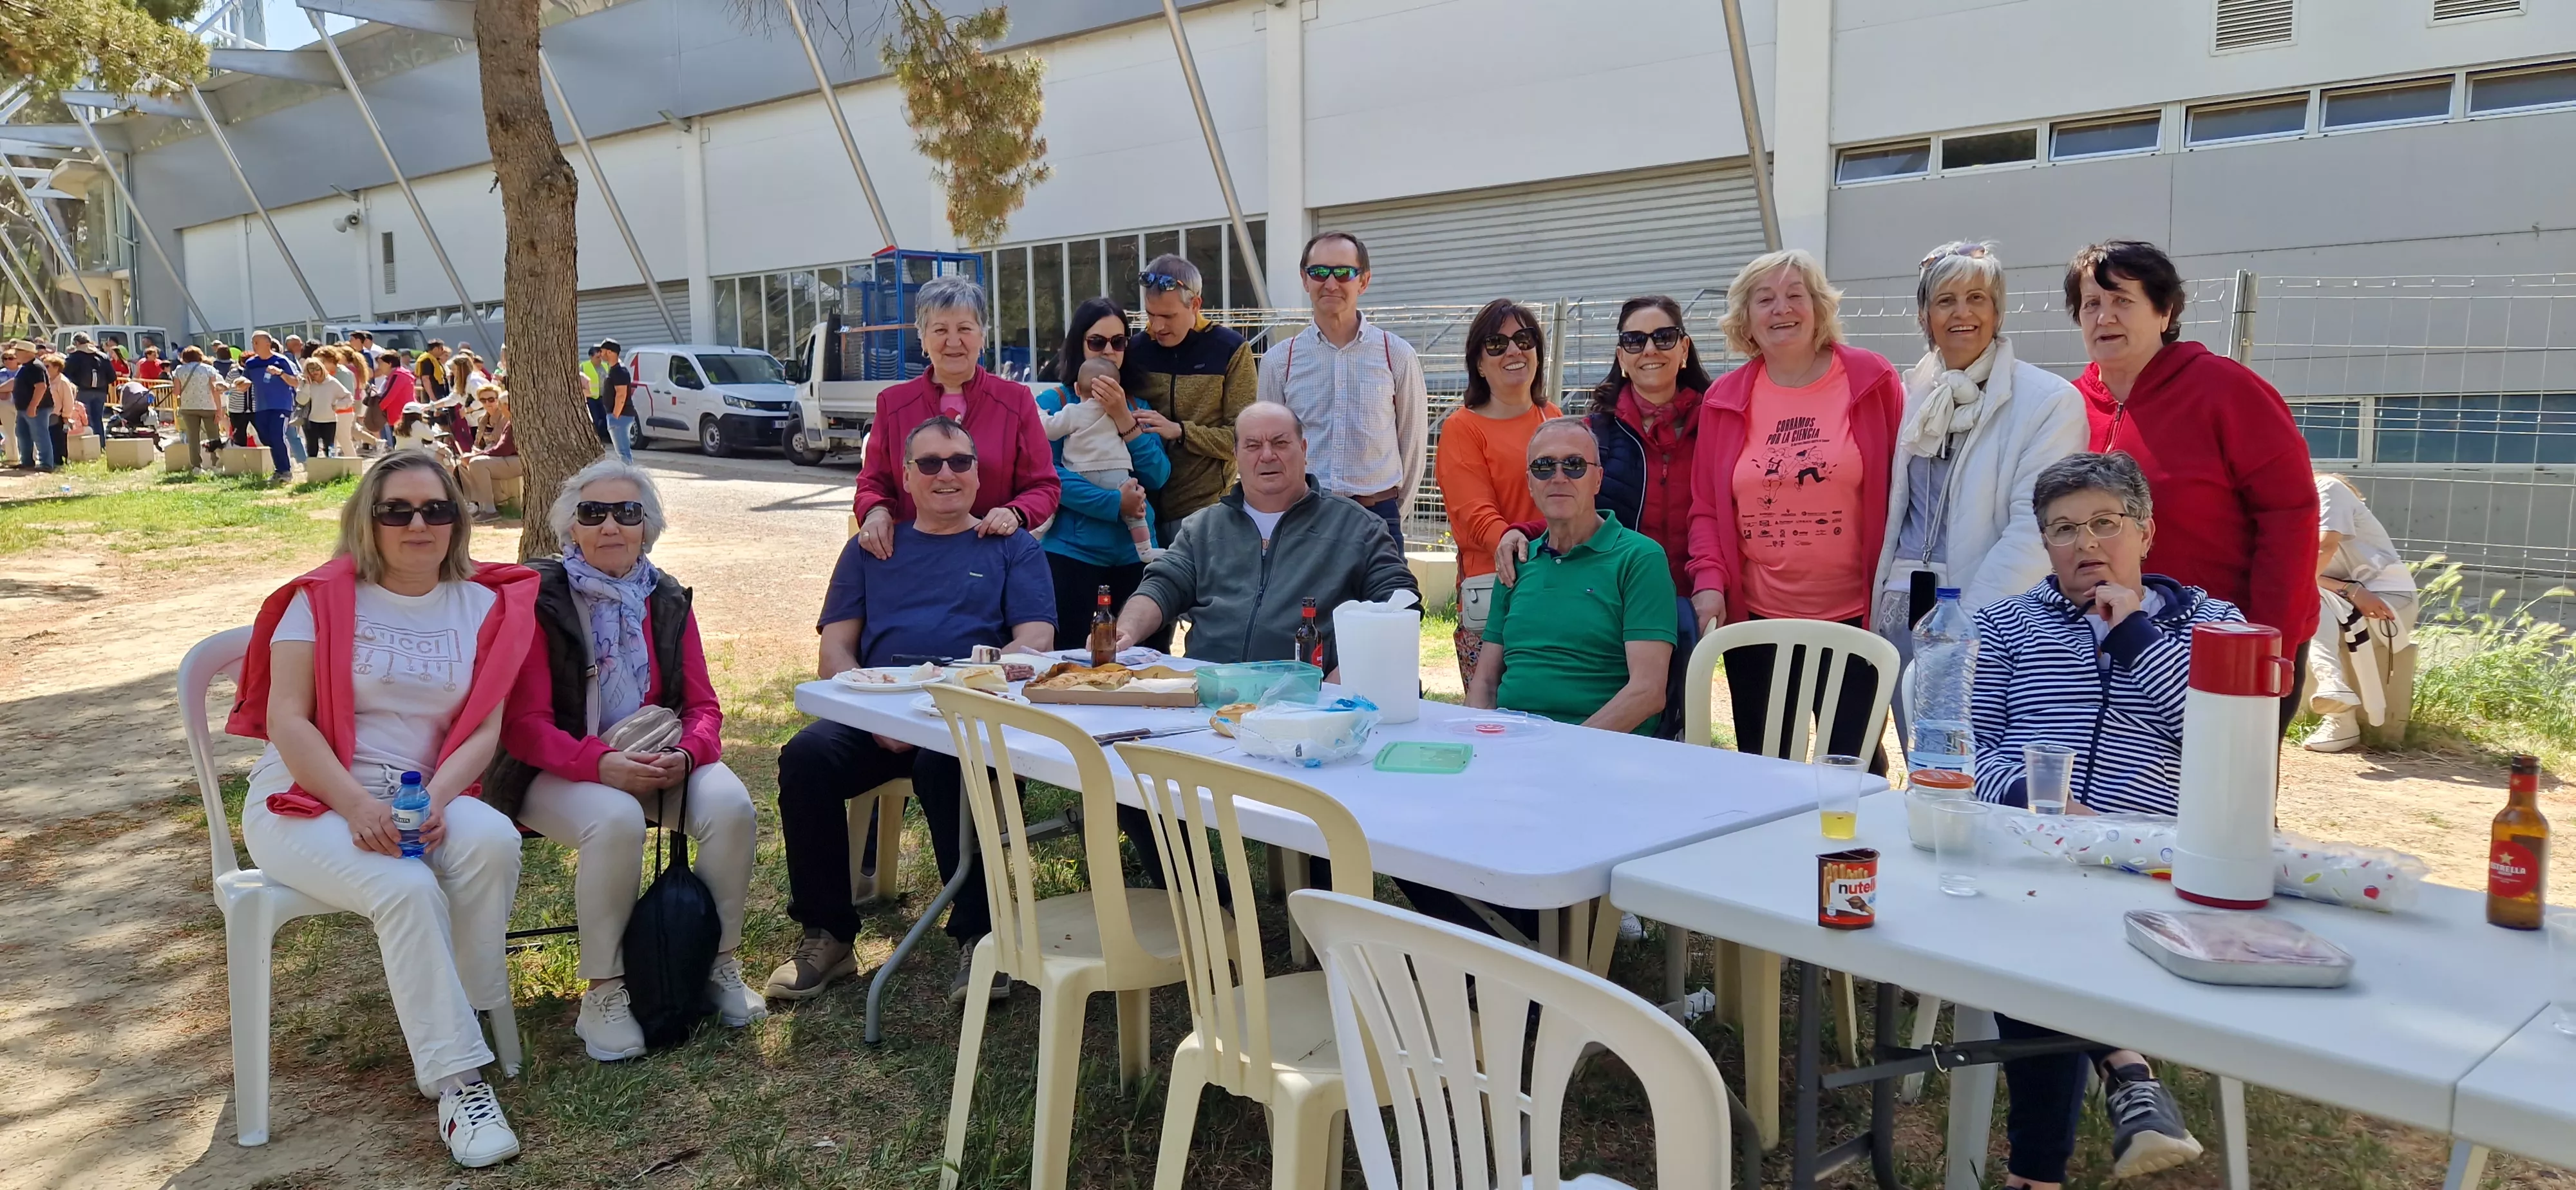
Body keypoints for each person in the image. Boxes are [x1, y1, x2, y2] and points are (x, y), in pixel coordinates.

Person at [223, 448, 538, 1168]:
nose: (418, 524)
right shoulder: (320, 599)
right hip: (306, 796)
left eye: (437, 509)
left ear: (459, 519)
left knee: (491, 843)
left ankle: (466, 1002)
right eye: (397, 510)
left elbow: (484, 728)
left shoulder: (485, 605)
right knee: (403, 884)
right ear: (368, 520)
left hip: (419, 792)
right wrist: (356, 804)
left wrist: (437, 798)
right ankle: (460, 1083)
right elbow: (290, 723)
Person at [1969, 451, 2230, 1187]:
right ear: (2043, 545)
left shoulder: (2212, 623)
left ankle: (2034, 1174)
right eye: (2062, 530)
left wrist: (2133, 635)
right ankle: (2127, 1070)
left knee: (2037, 937)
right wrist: (2034, 799)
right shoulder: (2007, 625)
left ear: (2144, 531)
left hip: (2153, 857)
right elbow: (1970, 746)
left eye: (2104, 524)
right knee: (2031, 917)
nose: (2085, 545)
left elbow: (2218, 744)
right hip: (2028, 848)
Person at [768, 416, 1057, 1005]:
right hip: (877, 716)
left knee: (950, 764)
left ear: (979, 475)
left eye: (959, 462)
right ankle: (827, 936)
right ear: (905, 476)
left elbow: (1034, 643)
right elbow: (835, 653)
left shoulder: (1013, 548)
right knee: (806, 757)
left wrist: (938, 710)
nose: (945, 474)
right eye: (929, 463)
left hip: (967, 716)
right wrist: (881, 714)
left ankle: (980, 938)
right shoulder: (871, 548)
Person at [485, 458, 764, 1061]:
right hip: (553, 769)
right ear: (571, 529)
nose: (611, 525)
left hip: (657, 761)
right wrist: (600, 764)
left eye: (627, 512)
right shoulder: (542, 598)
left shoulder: (665, 597)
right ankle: (605, 991)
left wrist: (689, 756)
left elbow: (703, 706)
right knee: (613, 819)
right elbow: (524, 727)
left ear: (647, 526)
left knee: (733, 806)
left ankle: (715, 962)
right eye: (593, 513)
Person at [2066, 239, 2318, 728]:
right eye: (2091, 304)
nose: (2104, 317)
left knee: (2222, 796)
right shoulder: (2065, 406)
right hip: (2106, 641)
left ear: (2165, 313)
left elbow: (2290, 517)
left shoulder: (2225, 391)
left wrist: (2267, 642)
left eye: (2123, 301)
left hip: (2223, 644)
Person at [1687, 250, 1904, 762]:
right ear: (1745, 318)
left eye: (1794, 295)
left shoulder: (1871, 379)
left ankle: (1848, 848)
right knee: (1767, 767)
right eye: (1765, 299)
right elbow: (1705, 510)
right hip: (1759, 621)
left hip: (1855, 620)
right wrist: (1709, 585)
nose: (1781, 309)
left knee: (1850, 772)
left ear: (1818, 307)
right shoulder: (1723, 398)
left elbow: (1905, 488)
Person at [1871, 242, 2088, 668]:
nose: (1962, 314)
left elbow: (2034, 530)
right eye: (1945, 301)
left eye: (1977, 299)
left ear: (1998, 313)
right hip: (1900, 606)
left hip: (1991, 618)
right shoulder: (1909, 396)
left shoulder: (2049, 400)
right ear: (1925, 317)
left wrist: (1971, 626)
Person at [1112, 401, 1419, 665]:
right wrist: (1126, 630)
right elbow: (1162, 586)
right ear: (1236, 455)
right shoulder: (1202, 528)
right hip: (1210, 698)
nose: (1268, 455)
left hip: (1312, 704)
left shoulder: (1357, 527)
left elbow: (1400, 603)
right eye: (1253, 445)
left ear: (1303, 449)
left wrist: (1350, 674)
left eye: (1280, 443)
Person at [1468, 419, 1675, 735]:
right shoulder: (1515, 562)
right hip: (1512, 748)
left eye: (1575, 465)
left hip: (1601, 750)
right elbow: (1484, 683)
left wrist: (1566, 749)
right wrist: (1477, 744)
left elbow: (1647, 692)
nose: (1559, 477)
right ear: (1530, 482)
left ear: (1598, 479)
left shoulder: (1639, 558)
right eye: (1544, 467)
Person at [849, 276, 1061, 558]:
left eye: (964, 328)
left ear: (982, 335)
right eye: (939, 329)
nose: (953, 341)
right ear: (923, 337)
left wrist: (1016, 513)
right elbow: (872, 484)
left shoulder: (1015, 401)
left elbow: (1044, 485)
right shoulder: (893, 404)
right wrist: (876, 513)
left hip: (992, 557)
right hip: (911, 557)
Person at [1256, 231, 1429, 543]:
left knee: (1387, 596)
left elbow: (1414, 446)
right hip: (1303, 518)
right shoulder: (1279, 361)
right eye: (1319, 272)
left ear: (1363, 281)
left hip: (1377, 517)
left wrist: (1391, 513)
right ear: (1304, 279)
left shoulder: (1397, 355)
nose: (1331, 283)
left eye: (1344, 272)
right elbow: (1267, 450)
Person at [1434, 299, 1561, 681]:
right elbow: (1473, 514)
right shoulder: (1462, 428)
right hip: (1496, 592)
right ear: (1479, 362)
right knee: (1492, 716)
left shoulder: (1553, 418)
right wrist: (1511, 542)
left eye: (1524, 339)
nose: (1513, 351)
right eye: (1496, 344)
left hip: (1557, 583)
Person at [1031, 297, 1170, 643]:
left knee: (1141, 665)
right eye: (1097, 342)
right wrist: (1113, 503)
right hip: (1071, 555)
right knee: (1069, 664)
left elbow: (1157, 475)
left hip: (1135, 556)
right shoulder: (1057, 403)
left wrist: (1124, 416)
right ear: (1079, 344)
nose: (1109, 351)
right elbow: (1049, 476)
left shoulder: (1139, 406)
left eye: (1119, 342)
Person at [1121, 254, 1258, 538]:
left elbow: (1243, 439)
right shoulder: (1135, 349)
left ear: (1196, 304)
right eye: (1150, 314)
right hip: (1143, 509)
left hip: (1208, 510)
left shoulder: (1231, 350)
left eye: (1168, 316)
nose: (1157, 327)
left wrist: (1180, 431)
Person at [2304, 473, 2418, 753]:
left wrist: (2345, 591)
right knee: (2308, 598)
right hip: (2338, 600)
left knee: (2303, 599)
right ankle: (2338, 705)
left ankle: (2336, 702)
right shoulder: (2271, 510)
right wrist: (2349, 589)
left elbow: (2324, 547)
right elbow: (2295, 576)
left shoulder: (2326, 488)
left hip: (2389, 601)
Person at [241, 331, 301, 482]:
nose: (254, 346)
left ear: (268, 344)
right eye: (253, 342)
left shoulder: (282, 361)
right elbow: (245, 380)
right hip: (261, 407)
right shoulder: (251, 363)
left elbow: (296, 382)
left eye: (257, 342)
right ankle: (283, 466)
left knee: (277, 436)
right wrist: (238, 384)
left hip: (281, 405)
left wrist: (280, 373)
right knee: (266, 439)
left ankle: (284, 471)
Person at [455, 393, 521, 524]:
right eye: (483, 400)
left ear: (506, 406)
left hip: (518, 461)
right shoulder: (506, 421)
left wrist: (476, 456)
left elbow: (503, 449)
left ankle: (489, 511)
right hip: (508, 458)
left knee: (477, 463)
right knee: (467, 463)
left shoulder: (514, 422)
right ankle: (476, 506)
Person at [170, 345, 225, 471]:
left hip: (188, 407)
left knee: (193, 437)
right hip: (208, 406)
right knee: (214, 436)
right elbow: (214, 390)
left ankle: (196, 467)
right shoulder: (209, 369)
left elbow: (177, 392)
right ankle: (216, 464)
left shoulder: (179, 370)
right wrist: (219, 410)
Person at [64, 334, 115, 449]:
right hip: (101, 392)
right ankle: (101, 445)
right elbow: (112, 377)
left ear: (76, 343)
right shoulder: (103, 356)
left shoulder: (74, 357)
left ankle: (91, 446)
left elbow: (65, 374)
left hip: (82, 391)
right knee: (98, 419)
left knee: (86, 419)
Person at [10, 342, 53, 471]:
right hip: (23, 408)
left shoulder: (36, 367)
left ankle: (46, 464)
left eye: (18, 351)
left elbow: (41, 387)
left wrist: (33, 406)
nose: (15, 354)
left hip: (38, 408)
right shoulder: (25, 367)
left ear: (27, 353)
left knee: (40, 435)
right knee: (23, 435)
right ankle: (27, 461)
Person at [298, 357, 351, 458]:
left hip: (329, 420)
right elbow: (301, 401)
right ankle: (312, 471)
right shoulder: (304, 383)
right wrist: (307, 386)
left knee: (330, 449)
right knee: (312, 449)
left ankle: (331, 470)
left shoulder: (332, 382)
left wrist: (338, 406)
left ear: (322, 368)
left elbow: (348, 397)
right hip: (311, 420)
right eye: (311, 370)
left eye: (317, 369)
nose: (315, 372)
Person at [591, 341, 634, 462]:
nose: (600, 354)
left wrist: (615, 416)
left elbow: (621, 395)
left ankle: (627, 477)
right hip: (619, 416)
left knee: (623, 453)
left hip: (621, 416)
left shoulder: (619, 371)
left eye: (602, 351)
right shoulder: (614, 369)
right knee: (622, 452)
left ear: (609, 352)